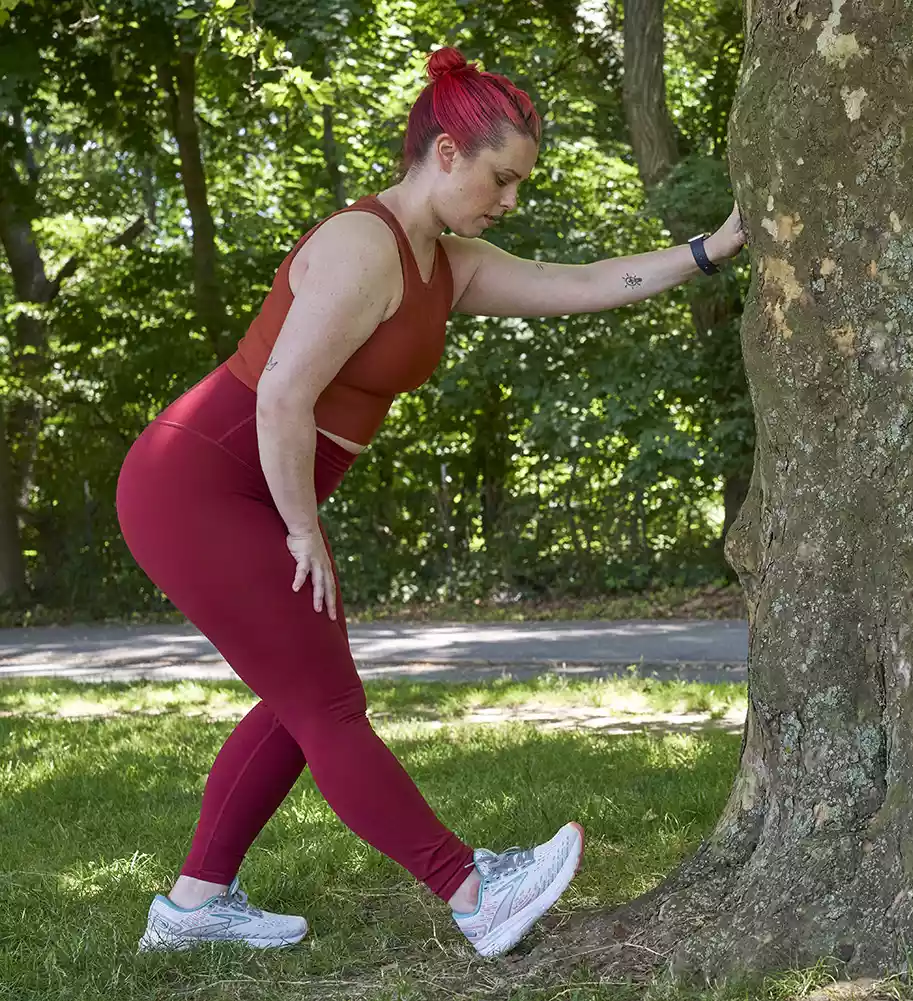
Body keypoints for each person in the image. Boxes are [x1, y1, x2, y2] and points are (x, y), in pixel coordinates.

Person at [116, 45, 747, 958]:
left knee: (304, 698)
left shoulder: (450, 263)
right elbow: (286, 393)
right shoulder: (359, 245)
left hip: (258, 487)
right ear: (445, 151)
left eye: (519, 185)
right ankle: (473, 889)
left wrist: (708, 250)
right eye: (501, 178)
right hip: (200, 483)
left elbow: (580, 285)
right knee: (328, 703)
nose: (510, 200)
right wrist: (300, 525)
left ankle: (195, 904)